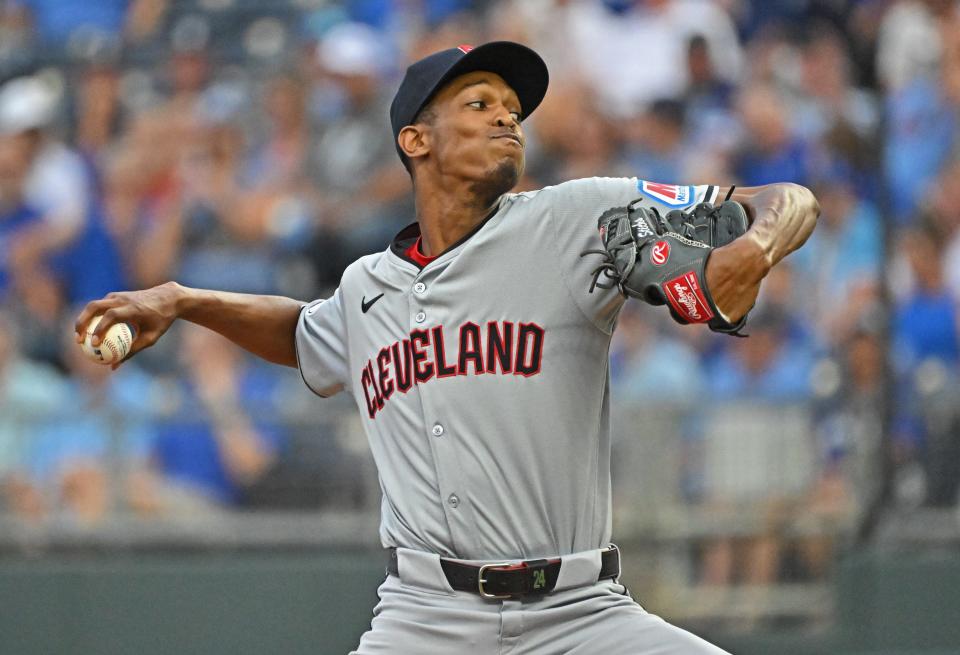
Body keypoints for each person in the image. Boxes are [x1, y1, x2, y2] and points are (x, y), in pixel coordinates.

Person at [75, 41, 818, 654]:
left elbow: (788, 198)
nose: (509, 118)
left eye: (513, 108)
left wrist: (755, 246)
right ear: (416, 139)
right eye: (481, 103)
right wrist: (183, 299)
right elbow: (306, 333)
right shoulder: (369, 284)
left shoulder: (574, 216)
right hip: (424, 619)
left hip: (581, 615)